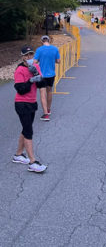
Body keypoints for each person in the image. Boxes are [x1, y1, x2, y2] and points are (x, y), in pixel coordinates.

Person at [13, 45, 47, 173]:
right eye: (26, 55)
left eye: (31, 55)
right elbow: (20, 89)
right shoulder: (19, 70)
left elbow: (42, 84)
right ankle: (32, 162)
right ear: (22, 57)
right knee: (28, 131)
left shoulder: (35, 67)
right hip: (22, 104)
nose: (29, 57)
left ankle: (18, 155)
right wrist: (31, 80)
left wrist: (36, 74)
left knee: (26, 128)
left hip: (32, 103)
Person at [34, 36, 60, 121]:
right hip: (51, 74)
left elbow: (35, 62)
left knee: (42, 93)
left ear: (42, 41)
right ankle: (48, 109)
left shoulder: (39, 50)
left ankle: (45, 114)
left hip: (42, 75)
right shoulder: (55, 49)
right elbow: (58, 61)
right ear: (49, 41)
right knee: (49, 91)